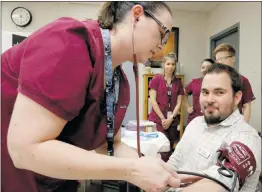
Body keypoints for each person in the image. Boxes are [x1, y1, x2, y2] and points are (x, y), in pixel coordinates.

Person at [1, 2, 182, 192]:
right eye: (163, 33)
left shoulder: (118, 81)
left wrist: (155, 169)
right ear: (136, 15)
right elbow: (24, 150)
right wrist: (132, 170)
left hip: (55, 180)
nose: (162, 45)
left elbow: (111, 144)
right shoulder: (69, 42)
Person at [167, 63, 261, 192]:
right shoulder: (195, 124)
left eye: (219, 92)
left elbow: (219, 183)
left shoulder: (247, 137)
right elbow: (175, 161)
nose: (209, 99)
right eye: (205, 92)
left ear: (237, 97)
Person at [148, 53, 185, 162]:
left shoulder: (178, 82)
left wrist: (171, 118)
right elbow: (153, 100)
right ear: (163, 65)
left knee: (170, 147)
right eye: (168, 64)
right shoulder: (156, 79)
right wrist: (163, 119)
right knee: (163, 146)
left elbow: (179, 103)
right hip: (158, 120)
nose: (170, 66)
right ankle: (159, 169)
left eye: (173, 64)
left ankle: (167, 169)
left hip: (172, 121)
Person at [214, 43, 255, 123]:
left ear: (233, 59)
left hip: (234, 123)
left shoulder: (242, 80)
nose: (219, 62)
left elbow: (247, 106)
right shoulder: (213, 79)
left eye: (223, 58)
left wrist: (243, 127)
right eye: (217, 60)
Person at [184, 58, 214, 125]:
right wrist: (187, 107)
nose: (205, 69)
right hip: (194, 119)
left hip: (210, 120)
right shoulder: (194, 82)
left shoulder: (217, 84)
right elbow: (184, 93)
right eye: (203, 67)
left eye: (208, 67)